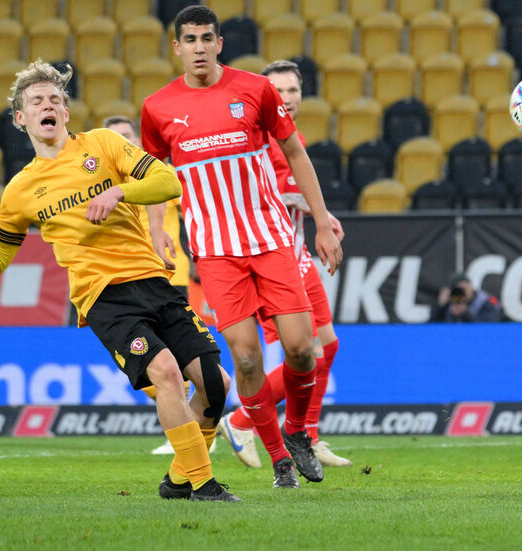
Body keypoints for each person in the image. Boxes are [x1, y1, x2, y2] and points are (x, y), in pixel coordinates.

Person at [0, 60, 238, 502]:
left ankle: (179, 479)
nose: (47, 106)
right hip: (103, 298)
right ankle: (203, 484)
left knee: (217, 384)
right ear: (21, 117)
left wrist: (119, 190)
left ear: (66, 111)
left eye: (54, 99)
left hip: (152, 281)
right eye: (36, 101)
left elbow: (168, 181)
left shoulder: (104, 143)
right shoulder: (20, 190)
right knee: (166, 373)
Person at [140, 5, 342, 489]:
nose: (199, 48)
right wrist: (157, 228)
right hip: (215, 252)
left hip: (271, 240)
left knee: (303, 350)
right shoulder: (158, 107)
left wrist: (321, 221)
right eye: (190, 40)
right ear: (177, 47)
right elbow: (152, 173)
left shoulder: (255, 89)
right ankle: (280, 460)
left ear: (219, 43)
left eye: (207, 38)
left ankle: (297, 429)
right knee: (247, 360)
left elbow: (295, 152)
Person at [217, 60, 352, 469]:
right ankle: (241, 422)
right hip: (270, 261)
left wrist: (321, 215)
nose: (286, 98)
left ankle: (309, 435)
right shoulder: (253, 140)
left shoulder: (292, 137)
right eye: (278, 90)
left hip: (298, 256)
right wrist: (317, 212)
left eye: (293, 90)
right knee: (307, 351)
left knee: (328, 345)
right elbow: (263, 199)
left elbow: (293, 195)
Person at [102, 115, 212, 456]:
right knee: (159, 367)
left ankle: (190, 431)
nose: (124, 142)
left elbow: (194, 210)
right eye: (115, 137)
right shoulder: (101, 185)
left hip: (168, 277)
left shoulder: (159, 173)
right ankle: (193, 423)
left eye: (127, 136)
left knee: (176, 363)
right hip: (126, 283)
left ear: (137, 139)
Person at [430, 274, 502, 322]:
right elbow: (432, 326)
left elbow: (490, 326)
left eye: (466, 288)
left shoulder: (484, 301)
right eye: (460, 289)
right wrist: (440, 307)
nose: (465, 293)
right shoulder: (448, 303)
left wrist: (465, 314)